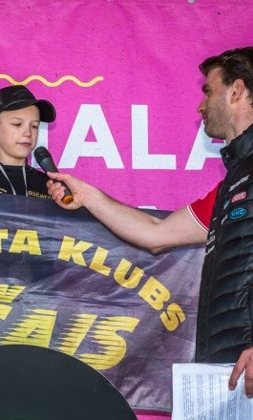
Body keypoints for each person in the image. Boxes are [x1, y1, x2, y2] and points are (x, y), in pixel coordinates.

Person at [47, 46, 253, 397]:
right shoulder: (230, 187)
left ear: (236, 90)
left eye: (208, 91)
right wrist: (87, 196)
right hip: (229, 369)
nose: (201, 106)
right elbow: (156, 234)